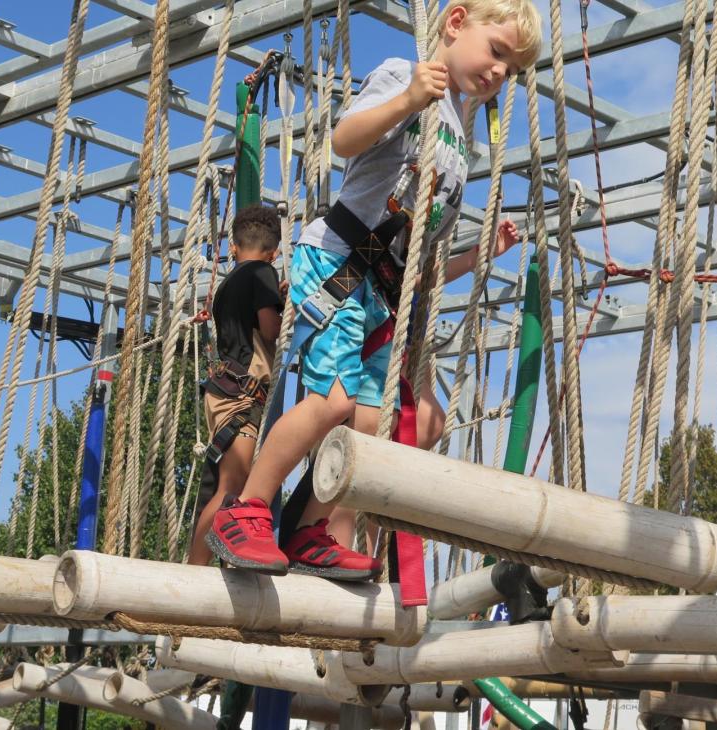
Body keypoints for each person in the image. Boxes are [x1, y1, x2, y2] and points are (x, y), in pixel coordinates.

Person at [205, 0, 540, 578]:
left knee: (369, 426)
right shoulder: (403, 76)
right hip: (339, 262)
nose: (499, 73)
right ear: (456, 23)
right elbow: (344, 140)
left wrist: (481, 256)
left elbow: (420, 260)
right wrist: (410, 99)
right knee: (332, 402)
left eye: (510, 68)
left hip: (383, 289)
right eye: (497, 52)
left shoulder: (459, 135)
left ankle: (308, 528)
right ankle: (248, 508)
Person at [189, 205, 286, 567]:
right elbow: (270, 329)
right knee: (232, 488)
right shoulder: (264, 273)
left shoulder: (228, 284)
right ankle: (196, 570)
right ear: (273, 253)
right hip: (242, 395)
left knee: (227, 486)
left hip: (225, 388)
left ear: (233, 247)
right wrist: (282, 304)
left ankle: (204, 565)